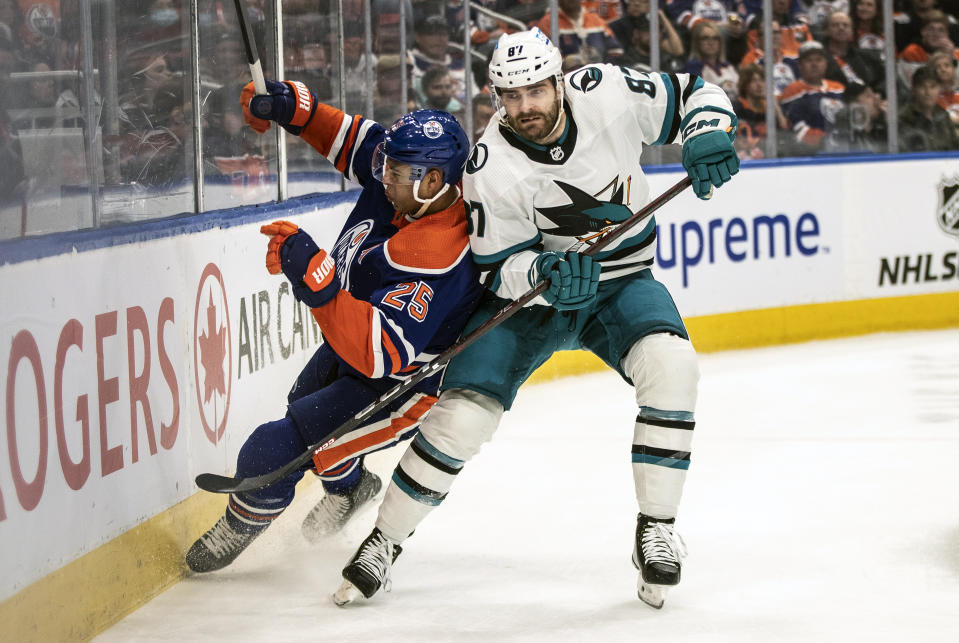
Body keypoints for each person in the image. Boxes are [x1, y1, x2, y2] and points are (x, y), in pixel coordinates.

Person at [334, 26, 739, 610]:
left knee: (674, 369)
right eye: (511, 95)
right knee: (460, 419)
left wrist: (707, 135)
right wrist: (541, 274)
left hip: (620, 281)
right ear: (497, 95)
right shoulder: (487, 164)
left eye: (535, 91)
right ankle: (384, 542)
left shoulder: (610, 91)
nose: (525, 106)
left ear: (558, 81)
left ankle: (657, 527)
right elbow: (496, 268)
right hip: (527, 305)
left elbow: (697, 92)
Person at [185, 81, 484, 573]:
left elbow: (378, 353)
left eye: (398, 172)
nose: (384, 176)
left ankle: (238, 526)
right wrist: (293, 109)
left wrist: (317, 283)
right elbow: (351, 139)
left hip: (401, 380)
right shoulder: (405, 177)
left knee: (274, 448)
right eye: (387, 165)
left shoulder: (438, 250)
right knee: (303, 408)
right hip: (354, 340)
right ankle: (351, 488)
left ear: (434, 182)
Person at [779, 40, 846, 154]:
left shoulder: (838, 87)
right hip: (811, 152)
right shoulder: (792, 91)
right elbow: (797, 128)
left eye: (819, 60)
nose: (814, 64)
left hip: (845, 146)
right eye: (809, 60)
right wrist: (827, 142)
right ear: (799, 65)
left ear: (826, 63)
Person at [898, 63, 959, 151]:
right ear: (914, 89)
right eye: (922, 87)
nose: (928, 92)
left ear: (939, 88)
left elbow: (955, 146)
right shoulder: (904, 119)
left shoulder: (943, 115)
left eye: (933, 87)